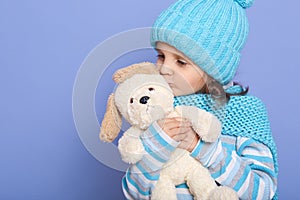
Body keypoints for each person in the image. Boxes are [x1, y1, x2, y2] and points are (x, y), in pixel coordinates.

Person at [121, 0, 278, 199]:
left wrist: (201, 148)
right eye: (161, 56)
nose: (163, 69)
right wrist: (156, 148)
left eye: (180, 61)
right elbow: (132, 193)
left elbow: (263, 192)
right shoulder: (155, 109)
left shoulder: (245, 115)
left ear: (214, 69)